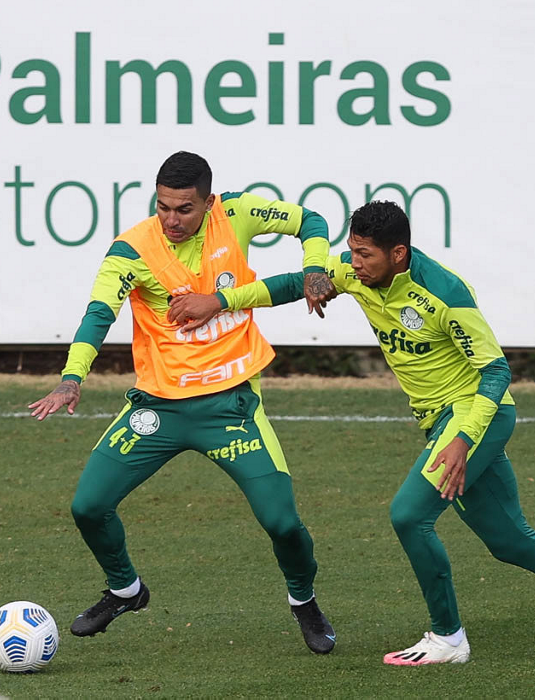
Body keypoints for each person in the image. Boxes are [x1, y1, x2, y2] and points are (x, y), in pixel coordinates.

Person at [167, 200, 535, 665]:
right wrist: (221, 300)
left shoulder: (445, 293)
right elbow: (287, 285)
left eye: (364, 255)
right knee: (511, 542)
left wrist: (461, 440)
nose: (353, 264)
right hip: (443, 422)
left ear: (398, 254)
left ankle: (448, 637)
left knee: (410, 516)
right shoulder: (356, 273)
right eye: (351, 252)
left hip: (476, 416)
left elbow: (496, 372)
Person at [27, 151, 340, 654]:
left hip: (230, 406)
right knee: (88, 506)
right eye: (163, 207)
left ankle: (303, 601)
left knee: (283, 523)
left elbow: (312, 221)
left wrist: (315, 268)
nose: (171, 219)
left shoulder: (236, 213)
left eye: (184, 209)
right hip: (159, 408)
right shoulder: (131, 250)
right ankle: (125, 590)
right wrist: (71, 378)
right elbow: (98, 314)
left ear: (209, 203)